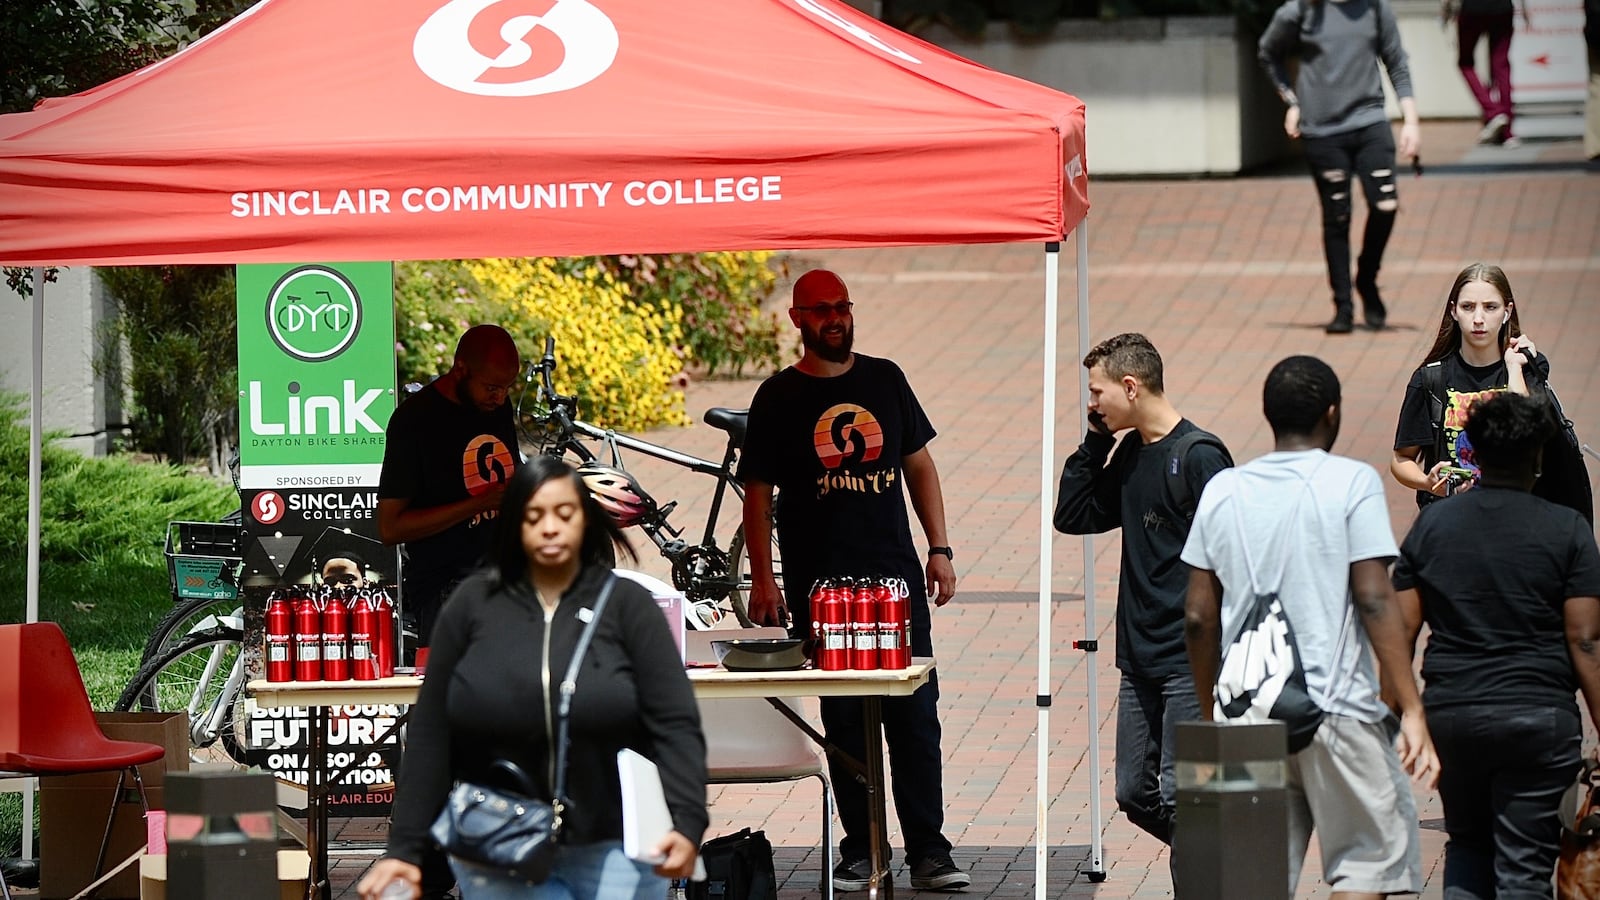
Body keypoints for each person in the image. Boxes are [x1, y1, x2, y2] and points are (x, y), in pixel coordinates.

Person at [357, 456, 707, 900]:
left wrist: (686, 821)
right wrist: (403, 849)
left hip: (615, 847)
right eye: (534, 515)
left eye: (565, 514)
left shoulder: (627, 606)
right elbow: (431, 732)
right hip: (499, 843)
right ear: (512, 525)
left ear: (587, 522)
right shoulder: (473, 606)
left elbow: (674, 723)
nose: (550, 528)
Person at [738, 269, 969, 892]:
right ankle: (863, 848)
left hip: (894, 585)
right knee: (844, 722)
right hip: (822, 592)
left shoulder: (885, 379)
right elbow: (756, 498)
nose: (834, 318)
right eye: (820, 310)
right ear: (797, 321)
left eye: (841, 307)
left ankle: (930, 851)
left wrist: (939, 549)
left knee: (915, 718)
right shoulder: (777, 398)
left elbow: (920, 466)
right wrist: (764, 580)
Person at [1182, 355, 1440, 898]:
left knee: (1248, 880)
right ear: (1332, 413)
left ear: (1268, 414)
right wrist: (1411, 706)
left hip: (1246, 716)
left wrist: (1212, 714)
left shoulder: (1223, 491)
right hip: (1337, 710)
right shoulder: (1352, 482)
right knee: (1366, 863)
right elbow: (1373, 599)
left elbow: (1199, 617)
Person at [1392, 391, 1600, 898]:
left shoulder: (1434, 525)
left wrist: (1401, 713)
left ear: (1475, 455)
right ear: (1538, 458)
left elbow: (1400, 631)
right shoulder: (1567, 530)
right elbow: (1585, 639)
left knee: (1467, 847)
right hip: (1540, 721)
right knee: (1525, 867)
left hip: (1454, 716)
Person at [1054, 333, 1233, 853]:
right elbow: (1074, 515)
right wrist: (1094, 443)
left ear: (1129, 387)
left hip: (1188, 658)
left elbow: (1236, 557)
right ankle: (1213, 860)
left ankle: (1205, 878)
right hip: (1138, 660)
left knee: (1184, 796)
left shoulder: (1199, 457)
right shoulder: (1131, 451)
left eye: (1096, 393)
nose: (1092, 404)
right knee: (1135, 792)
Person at [1259, 0, 1420, 334]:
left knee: (1385, 205)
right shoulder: (1299, 10)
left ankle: (1367, 277)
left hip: (1370, 122)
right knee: (1337, 216)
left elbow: (1396, 61)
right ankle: (1343, 307)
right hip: (1322, 132)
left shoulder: (1375, 8)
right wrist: (1292, 101)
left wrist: (1411, 121)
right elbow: (1268, 52)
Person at [378, 323, 522, 647]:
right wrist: (478, 504)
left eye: (507, 388)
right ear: (460, 369)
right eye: (490, 388)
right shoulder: (414, 422)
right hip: (447, 591)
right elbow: (390, 528)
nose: (499, 398)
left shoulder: (496, 406)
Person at [1390, 263, 1546, 507]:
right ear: (1454, 311)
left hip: (1514, 515)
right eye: (1468, 307)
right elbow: (1401, 459)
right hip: (1452, 520)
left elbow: (1529, 439)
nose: (1478, 319)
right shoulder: (1430, 379)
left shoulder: (1527, 368)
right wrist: (1426, 482)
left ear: (1507, 311)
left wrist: (1515, 367)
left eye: (1490, 307)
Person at [1446, 0, 1528, 147]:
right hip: (1502, 8)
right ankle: (1508, 132)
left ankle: (1494, 112)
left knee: (1465, 63)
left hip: (1473, 8)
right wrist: (1524, 8)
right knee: (1501, 65)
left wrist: (1447, 10)